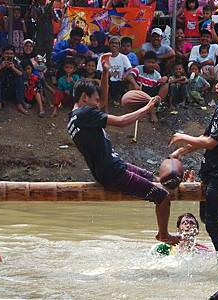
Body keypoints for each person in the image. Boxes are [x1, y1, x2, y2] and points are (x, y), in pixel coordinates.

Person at [68, 57, 179, 245]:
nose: (98, 104)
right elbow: (121, 122)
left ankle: (165, 224)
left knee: (156, 180)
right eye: (94, 100)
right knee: (162, 196)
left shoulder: (75, 115)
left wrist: (104, 72)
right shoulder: (86, 113)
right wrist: (147, 108)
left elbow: (102, 102)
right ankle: (164, 235)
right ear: (84, 98)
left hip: (112, 167)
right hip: (112, 173)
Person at [169, 67, 218, 252]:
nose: (216, 87)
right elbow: (205, 137)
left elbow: (211, 143)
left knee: (212, 224)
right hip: (209, 173)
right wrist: (181, 152)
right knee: (207, 219)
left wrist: (182, 136)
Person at [128, 51, 169, 123]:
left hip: (150, 95)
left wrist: (166, 79)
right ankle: (135, 110)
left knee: (165, 84)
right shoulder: (138, 68)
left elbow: (157, 89)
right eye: (148, 62)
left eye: (153, 62)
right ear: (144, 62)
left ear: (156, 63)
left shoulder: (157, 75)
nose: (151, 64)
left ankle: (154, 109)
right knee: (131, 84)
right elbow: (130, 76)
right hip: (139, 91)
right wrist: (135, 85)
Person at [0, 45, 29, 114]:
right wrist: (1, 66)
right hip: (0, 90)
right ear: (2, 54)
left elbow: (23, 75)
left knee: (19, 77)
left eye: (11, 54)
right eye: (6, 53)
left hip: (12, 90)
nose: (9, 56)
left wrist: (13, 68)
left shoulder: (16, 63)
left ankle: (19, 103)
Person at [97, 36, 132, 106]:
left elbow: (130, 69)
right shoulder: (103, 56)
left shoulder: (123, 57)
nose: (114, 45)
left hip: (120, 81)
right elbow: (99, 71)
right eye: (112, 43)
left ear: (119, 46)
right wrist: (107, 73)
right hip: (107, 80)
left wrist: (125, 75)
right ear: (109, 45)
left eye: (116, 43)